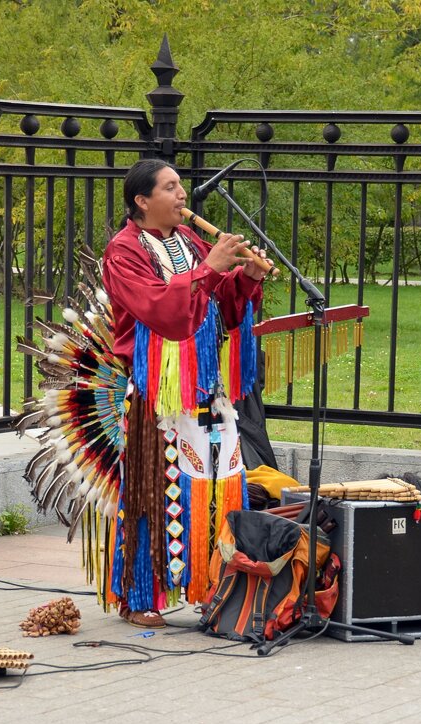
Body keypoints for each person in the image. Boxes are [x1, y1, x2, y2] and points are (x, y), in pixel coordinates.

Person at [100, 159, 271, 627]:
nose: (182, 196)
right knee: (156, 488)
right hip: (156, 390)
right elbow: (160, 309)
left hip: (206, 384)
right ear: (142, 200)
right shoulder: (123, 251)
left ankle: (212, 584)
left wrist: (246, 277)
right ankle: (140, 594)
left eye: (181, 187)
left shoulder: (186, 241)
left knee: (219, 483)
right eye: (170, 188)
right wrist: (208, 268)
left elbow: (218, 305)